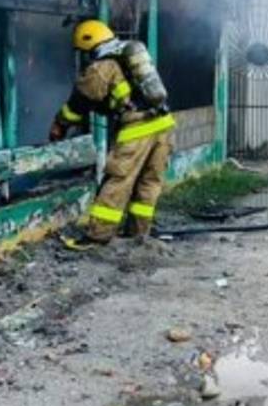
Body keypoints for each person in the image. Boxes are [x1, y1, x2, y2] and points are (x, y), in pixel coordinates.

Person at [50, 19, 175, 250]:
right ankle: (138, 233)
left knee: (117, 180)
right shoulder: (129, 53)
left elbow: (80, 102)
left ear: (90, 45)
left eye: (84, 52)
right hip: (163, 125)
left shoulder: (102, 66)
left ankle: (97, 236)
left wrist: (60, 124)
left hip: (137, 130)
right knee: (149, 182)